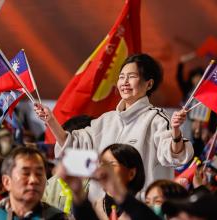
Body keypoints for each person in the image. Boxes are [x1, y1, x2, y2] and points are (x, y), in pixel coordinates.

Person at [35, 54, 194, 194]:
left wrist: (175, 132)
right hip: (103, 210)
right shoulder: (106, 120)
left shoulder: (157, 119)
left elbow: (175, 156)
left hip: (139, 209)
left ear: (149, 84)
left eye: (131, 76)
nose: (124, 82)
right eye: (121, 76)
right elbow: (74, 145)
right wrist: (51, 120)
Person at [0, 147, 67, 219]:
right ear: (6, 182)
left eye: (39, 174)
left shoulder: (57, 217)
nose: (33, 180)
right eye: (25, 173)